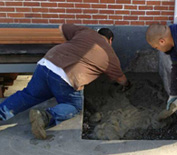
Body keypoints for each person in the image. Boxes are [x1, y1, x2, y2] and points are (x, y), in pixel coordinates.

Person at [0, 24, 131, 140]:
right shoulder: (110, 55)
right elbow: (121, 79)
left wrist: (73, 45)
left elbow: (63, 27)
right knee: (74, 106)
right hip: (67, 76)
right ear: (111, 40)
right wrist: (127, 85)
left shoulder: (85, 32)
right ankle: (45, 117)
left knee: (28, 95)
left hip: (47, 63)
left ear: (97, 33)